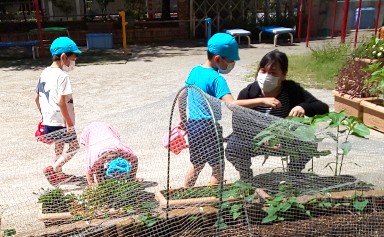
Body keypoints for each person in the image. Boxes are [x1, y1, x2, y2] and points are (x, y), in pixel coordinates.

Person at [179, 33, 283, 188]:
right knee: (218, 167)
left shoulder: (195, 71)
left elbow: (182, 95)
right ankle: (215, 199)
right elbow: (232, 104)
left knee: (197, 163)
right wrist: (262, 100)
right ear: (218, 59)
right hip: (209, 127)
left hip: (193, 125)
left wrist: (183, 119)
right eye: (230, 60)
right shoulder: (217, 79)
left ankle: (184, 194)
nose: (232, 64)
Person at [225, 50, 329, 183]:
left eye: (273, 73)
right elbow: (238, 123)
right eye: (263, 71)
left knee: (309, 141)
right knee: (234, 147)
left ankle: (293, 174)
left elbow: (323, 108)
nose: (266, 76)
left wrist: (303, 107)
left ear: (283, 75)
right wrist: (264, 138)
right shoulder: (249, 92)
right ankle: (246, 177)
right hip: (255, 140)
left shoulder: (292, 90)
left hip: (284, 140)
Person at [35, 37, 81, 186]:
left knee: (59, 145)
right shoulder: (63, 76)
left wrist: (44, 116)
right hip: (61, 121)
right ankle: (54, 169)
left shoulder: (44, 73)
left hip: (49, 119)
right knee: (74, 147)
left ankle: (59, 175)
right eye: (72, 59)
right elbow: (61, 102)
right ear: (63, 57)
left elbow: (36, 98)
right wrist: (69, 123)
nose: (73, 63)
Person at [80, 122, 140, 187]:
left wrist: (132, 178)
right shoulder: (94, 159)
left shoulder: (124, 151)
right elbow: (89, 172)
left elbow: (135, 159)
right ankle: (102, 180)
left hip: (107, 130)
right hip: (91, 132)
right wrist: (91, 184)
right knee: (99, 173)